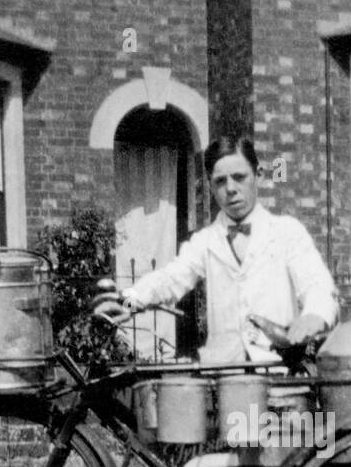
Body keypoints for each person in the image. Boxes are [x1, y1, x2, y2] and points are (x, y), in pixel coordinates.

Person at [93, 134, 338, 362]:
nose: (230, 189)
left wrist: (314, 315)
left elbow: (317, 284)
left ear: (258, 176)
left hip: (278, 374)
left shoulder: (287, 232)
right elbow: (168, 280)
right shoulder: (205, 241)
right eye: (220, 181)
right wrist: (127, 302)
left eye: (239, 177)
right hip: (222, 375)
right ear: (210, 186)